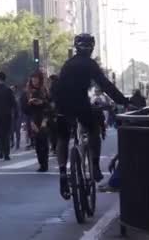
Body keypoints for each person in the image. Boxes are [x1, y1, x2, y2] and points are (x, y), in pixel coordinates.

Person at [56, 34, 129, 199]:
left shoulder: (68, 64)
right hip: (80, 103)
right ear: (91, 48)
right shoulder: (89, 64)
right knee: (93, 129)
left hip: (61, 104)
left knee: (62, 137)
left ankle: (62, 173)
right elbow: (105, 84)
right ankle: (95, 165)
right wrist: (123, 101)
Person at [24, 71, 51, 172]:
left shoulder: (44, 90)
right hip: (33, 119)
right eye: (33, 78)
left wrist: (42, 102)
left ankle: (45, 164)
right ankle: (41, 163)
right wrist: (29, 102)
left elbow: (50, 105)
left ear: (40, 79)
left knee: (44, 142)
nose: (34, 80)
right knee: (37, 144)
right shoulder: (28, 92)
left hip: (44, 118)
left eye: (36, 78)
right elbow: (25, 109)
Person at [0, 72, 16, 160]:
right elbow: (13, 102)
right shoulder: (8, 90)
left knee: (0, 133)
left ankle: (1, 152)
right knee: (6, 134)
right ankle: (7, 154)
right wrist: (14, 112)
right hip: (7, 114)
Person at [11, 85, 22, 150]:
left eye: (13, 88)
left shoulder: (18, 96)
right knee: (11, 130)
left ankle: (18, 143)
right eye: (11, 89)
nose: (12, 90)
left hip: (18, 115)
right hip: (12, 115)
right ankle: (12, 142)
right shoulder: (9, 96)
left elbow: (20, 106)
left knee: (17, 130)